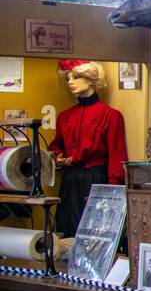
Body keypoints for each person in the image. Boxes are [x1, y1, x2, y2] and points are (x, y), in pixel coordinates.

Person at [50, 60, 127, 237]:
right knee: (68, 230)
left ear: (92, 80)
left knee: (95, 232)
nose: (70, 82)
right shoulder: (65, 117)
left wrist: (113, 193)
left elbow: (117, 157)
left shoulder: (111, 116)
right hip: (70, 180)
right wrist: (57, 158)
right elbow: (56, 146)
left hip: (97, 178)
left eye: (76, 77)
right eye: (68, 78)